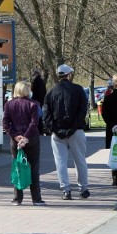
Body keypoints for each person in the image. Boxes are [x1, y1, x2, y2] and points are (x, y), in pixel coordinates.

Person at [42, 64, 90, 200]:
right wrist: (74, 127)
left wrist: (54, 129)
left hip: (57, 132)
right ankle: (83, 188)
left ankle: (65, 190)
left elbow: (46, 114)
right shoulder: (78, 90)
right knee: (80, 160)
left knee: (60, 162)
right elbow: (82, 111)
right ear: (69, 75)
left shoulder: (51, 92)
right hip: (76, 131)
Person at [3, 81, 45, 205]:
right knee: (34, 168)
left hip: (15, 141)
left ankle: (17, 198)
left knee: (18, 168)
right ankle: (36, 198)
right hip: (31, 140)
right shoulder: (34, 104)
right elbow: (34, 123)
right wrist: (25, 138)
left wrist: (16, 136)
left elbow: (5, 124)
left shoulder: (9, 105)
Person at [30, 69, 47, 134]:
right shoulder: (41, 81)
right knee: (38, 116)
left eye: (33, 74)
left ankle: (39, 130)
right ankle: (40, 130)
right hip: (40, 101)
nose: (32, 76)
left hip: (37, 101)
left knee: (37, 116)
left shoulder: (37, 82)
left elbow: (37, 92)